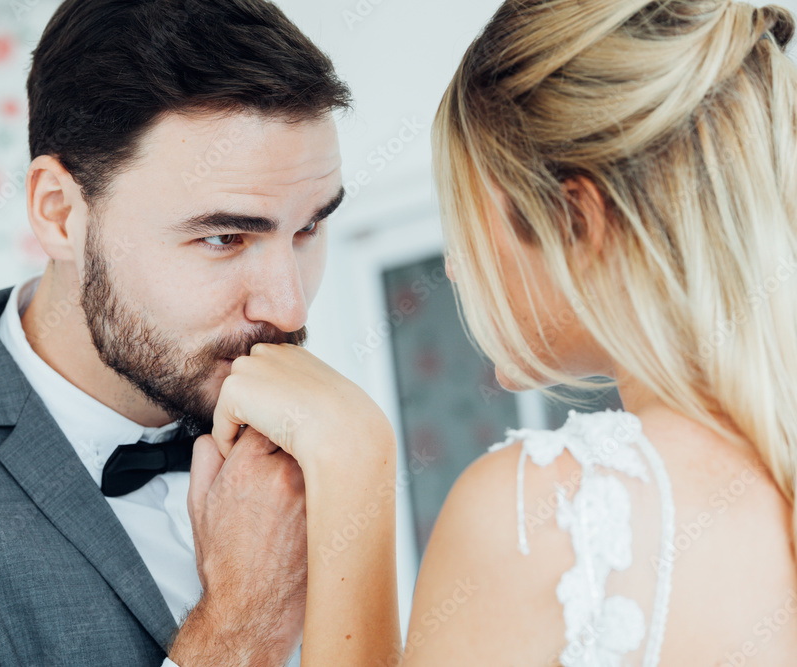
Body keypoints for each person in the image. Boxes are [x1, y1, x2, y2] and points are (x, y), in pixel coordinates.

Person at [206, 0, 797, 664]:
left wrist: (354, 464)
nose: (456, 267)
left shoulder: (549, 517)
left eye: (466, 220)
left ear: (576, 222)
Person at [0, 0, 350, 664]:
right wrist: (238, 629)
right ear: (59, 214)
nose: (288, 308)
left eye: (310, 227)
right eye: (223, 237)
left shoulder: (313, 425)